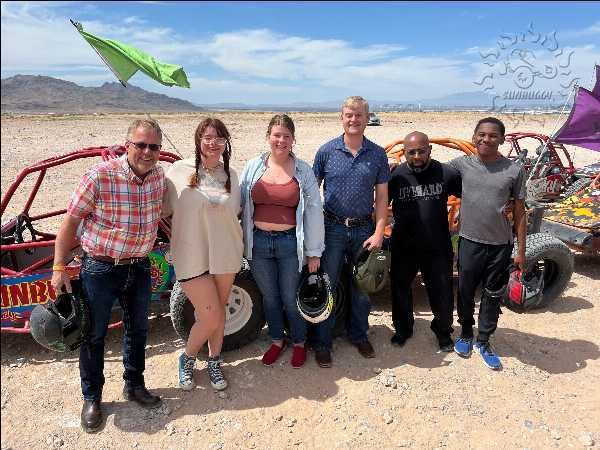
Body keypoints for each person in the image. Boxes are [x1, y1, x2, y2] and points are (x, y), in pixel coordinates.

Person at [51, 119, 166, 433]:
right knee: (94, 334)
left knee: (138, 330)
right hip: (100, 268)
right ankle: (92, 398)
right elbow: (70, 223)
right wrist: (58, 267)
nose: (147, 152)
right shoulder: (99, 176)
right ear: (127, 145)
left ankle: (134, 385)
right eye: (141, 145)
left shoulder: (159, 176)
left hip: (139, 266)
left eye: (154, 146)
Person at [240, 114, 324, 369]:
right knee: (270, 297)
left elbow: (314, 211)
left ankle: (299, 342)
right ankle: (277, 340)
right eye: (277, 135)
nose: (281, 140)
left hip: (290, 243)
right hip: (259, 244)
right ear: (268, 137)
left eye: (286, 136)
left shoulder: (303, 171)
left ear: (293, 140)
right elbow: (239, 203)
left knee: (290, 297)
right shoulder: (253, 166)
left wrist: (314, 252)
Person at [164, 118, 243, 390]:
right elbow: (159, 207)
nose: (213, 143)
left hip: (225, 252)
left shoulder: (232, 175)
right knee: (209, 314)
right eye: (207, 137)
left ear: (226, 143)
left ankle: (214, 360)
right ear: (198, 140)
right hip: (190, 253)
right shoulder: (178, 170)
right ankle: (187, 358)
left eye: (219, 138)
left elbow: (236, 212)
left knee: (219, 311)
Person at [312, 96, 390, 367]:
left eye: (359, 115)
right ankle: (322, 342)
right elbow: (311, 193)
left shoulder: (377, 154)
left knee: (362, 288)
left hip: (364, 230)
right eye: (349, 115)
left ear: (368, 118)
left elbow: (382, 197)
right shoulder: (326, 151)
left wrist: (379, 231)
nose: (353, 120)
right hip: (331, 228)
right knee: (328, 285)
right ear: (341, 118)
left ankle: (359, 335)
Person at [449, 117, 526, 370]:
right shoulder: (462, 164)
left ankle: (483, 340)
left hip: (500, 245)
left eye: (493, 135)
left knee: (492, 294)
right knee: (465, 291)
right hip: (469, 241)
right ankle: (465, 333)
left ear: (502, 139)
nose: (486, 139)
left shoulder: (514, 170)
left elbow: (520, 211)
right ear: (474, 137)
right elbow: (432, 172)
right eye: (481, 134)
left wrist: (521, 250)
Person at [388, 131, 461, 352]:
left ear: (430, 150)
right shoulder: (396, 176)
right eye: (412, 152)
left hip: (437, 245)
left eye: (421, 151)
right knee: (400, 288)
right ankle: (403, 329)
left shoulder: (446, 172)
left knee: (442, 291)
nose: (417, 156)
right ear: (405, 153)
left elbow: (469, 196)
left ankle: (443, 331)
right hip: (404, 245)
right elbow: (381, 203)